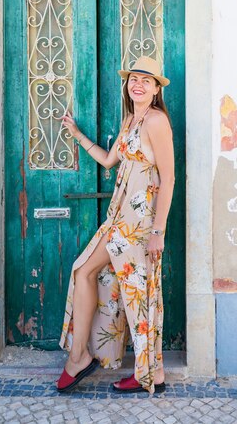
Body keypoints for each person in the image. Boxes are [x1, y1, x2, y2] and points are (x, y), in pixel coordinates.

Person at [57, 56, 175, 395]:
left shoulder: (156, 122)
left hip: (141, 226)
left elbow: (168, 179)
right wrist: (78, 134)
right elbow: (110, 161)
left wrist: (158, 232)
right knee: (86, 273)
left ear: (155, 90)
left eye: (146, 80)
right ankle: (81, 357)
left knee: (141, 294)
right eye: (133, 78)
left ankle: (150, 374)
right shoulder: (129, 121)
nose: (137, 83)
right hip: (119, 219)